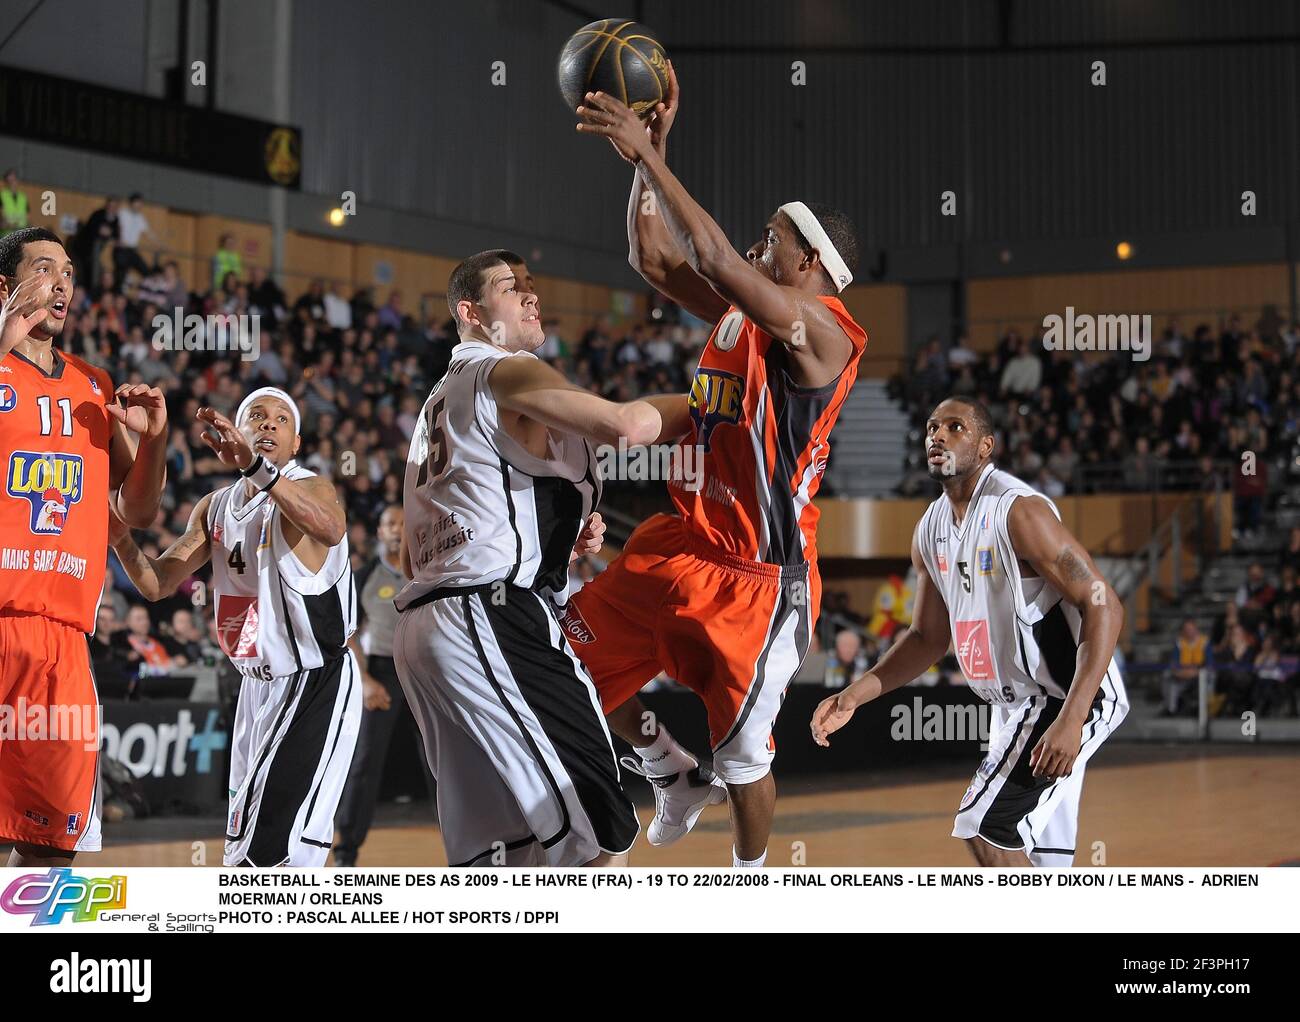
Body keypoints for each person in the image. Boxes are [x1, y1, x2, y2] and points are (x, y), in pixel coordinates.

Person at [569, 64, 867, 865]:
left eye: (772, 235)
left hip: (758, 579)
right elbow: (657, 261)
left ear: (809, 262)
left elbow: (712, 255)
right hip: (685, 540)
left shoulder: (825, 331)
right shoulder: (748, 311)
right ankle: (669, 770)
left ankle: (750, 880)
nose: (754, 240)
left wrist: (652, 157)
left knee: (744, 760)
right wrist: (645, 164)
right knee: (570, 661)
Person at [393, 250, 665, 867]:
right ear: (471, 312)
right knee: (601, 836)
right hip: (488, 615)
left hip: (430, 630)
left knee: (507, 854)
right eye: (512, 289)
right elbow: (626, 425)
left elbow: (414, 551)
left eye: (533, 286)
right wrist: (708, 400)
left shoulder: (435, 404)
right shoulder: (507, 370)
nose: (532, 297)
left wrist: (558, 539)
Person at [812, 397, 1129, 867]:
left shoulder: (1017, 512)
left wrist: (1073, 717)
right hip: (1016, 705)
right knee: (1045, 861)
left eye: (954, 427)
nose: (937, 436)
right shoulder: (930, 529)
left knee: (985, 828)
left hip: (1066, 695)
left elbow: (1104, 603)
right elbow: (926, 639)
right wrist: (854, 696)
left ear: (985, 447)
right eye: (931, 427)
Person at [107, 387, 361, 867]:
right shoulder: (215, 507)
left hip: (312, 680)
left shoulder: (311, 486)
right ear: (234, 433)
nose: (268, 425)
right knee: (248, 852)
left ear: (296, 442)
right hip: (254, 688)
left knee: (269, 855)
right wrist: (119, 537)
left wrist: (257, 471)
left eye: (281, 419)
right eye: (257, 417)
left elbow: (328, 527)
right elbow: (158, 583)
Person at [0, 227, 168, 866]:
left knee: (49, 844)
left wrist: (153, 440)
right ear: (5, 288)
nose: (61, 282)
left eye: (68, 271)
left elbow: (138, 512)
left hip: (64, 641)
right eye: (43, 268)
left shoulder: (94, 386)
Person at [333, 504, 434, 866]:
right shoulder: (363, 577)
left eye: (405, 523)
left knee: (444, 764)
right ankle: (346, 853)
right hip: (381, 674)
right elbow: (347, 633)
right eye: (391, 523)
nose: (398, 529)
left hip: (426, 675)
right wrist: (364, 680)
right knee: (364, 764)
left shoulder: (431, 572)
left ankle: (467, 848)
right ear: (380, 532)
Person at [1, 169, 28, 235]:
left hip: (20, 234)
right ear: (6, 182)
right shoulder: (2, 195)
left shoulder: (23, 197)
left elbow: (27, 216)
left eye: (14, 180)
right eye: (9, 181)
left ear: (17, 181)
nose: (12, 183)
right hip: (6, 235)